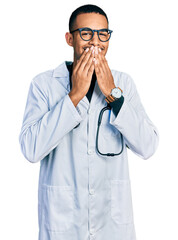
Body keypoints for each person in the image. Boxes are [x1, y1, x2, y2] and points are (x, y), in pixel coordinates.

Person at [19, 4, 159, 240]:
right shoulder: (43, 85)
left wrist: (113, 95)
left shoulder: (123, 83)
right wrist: (74, 96)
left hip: (113, 226)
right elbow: (31, 149)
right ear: (69, 38)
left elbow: (148, 146)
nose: (95, 41)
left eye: (102, 33)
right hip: (63, 224)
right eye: (86, 33)